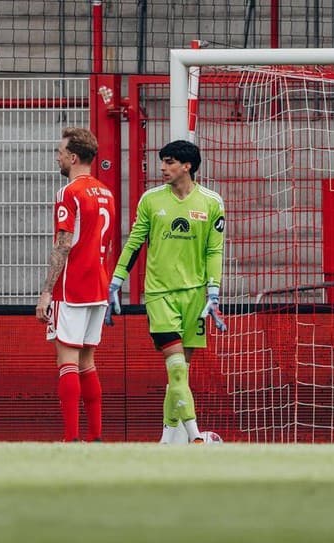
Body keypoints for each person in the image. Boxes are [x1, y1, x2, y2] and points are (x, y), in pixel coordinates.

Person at [106, 140, 226, 444]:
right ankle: (197, 439)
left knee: (180, 374)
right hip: (160, 295)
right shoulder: (150, 200)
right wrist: (117, 280)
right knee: (175, 370)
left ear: (187, 166)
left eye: (169, 162)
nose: (162, 167)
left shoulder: (212, 202)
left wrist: (213, 290)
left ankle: (166, 441)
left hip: (195, 296)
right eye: (162, 162)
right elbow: (134, 244)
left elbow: (214, 250)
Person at [35, 127, 115, 442]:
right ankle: (94, 436)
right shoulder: (105, 192)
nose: (57, 156)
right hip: (98, 285)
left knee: (66, 359)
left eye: (60, 152)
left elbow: (64, 243)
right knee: (87, 361)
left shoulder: (69, 193)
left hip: (72, 287)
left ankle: (71, 438)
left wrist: (46, 292)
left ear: (73, 156)